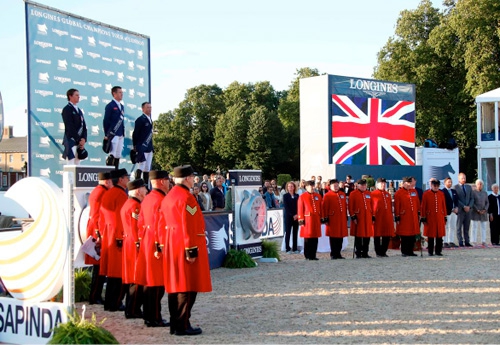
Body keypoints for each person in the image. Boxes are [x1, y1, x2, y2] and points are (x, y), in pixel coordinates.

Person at [158, 165, 212, 336]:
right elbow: (188, 223)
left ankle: (176, 324)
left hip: (172, 243)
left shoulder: (169, 197)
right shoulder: (186, 198)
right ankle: (182, 323)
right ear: (188, 178)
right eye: (191, 177)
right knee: (187, 287)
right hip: (185, 244)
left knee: (175, 286)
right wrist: (191, 249)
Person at [136, 170, 171, 327]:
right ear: (162, 181)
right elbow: (160, 225)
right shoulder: (160, 199)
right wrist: (160, 246)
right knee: (157, 285)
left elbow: (140, 223)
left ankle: (150, 316)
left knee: (150, 283)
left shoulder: (148, 199)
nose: (169, 183)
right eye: (167, 180)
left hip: (146, 242)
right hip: (156, 244)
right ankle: (154, 317)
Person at [99, 168, 130, 311]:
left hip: (109, 234)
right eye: (126, 177)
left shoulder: (109, 193)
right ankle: (114, 302)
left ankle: (110, 302)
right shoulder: (120, 194)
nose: (128, 179)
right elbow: (120, 218)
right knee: (118, 273)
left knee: (112, 273)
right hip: (117, 235)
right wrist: (120, 237)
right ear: (121, 179)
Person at [121, 178, 147, 318]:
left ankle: (132, 308)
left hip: (129, 243)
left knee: (133, 278)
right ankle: (133, 309)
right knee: (136, 279)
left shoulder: (129, 204)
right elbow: (135, 228)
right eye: (143, 188)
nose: (146, 190)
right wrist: (139, 244)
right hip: (135, 244)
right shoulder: (134, 206)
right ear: (138, 190)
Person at [85, 171, 112, 305]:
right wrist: (99, 234)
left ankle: (95, 295)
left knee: (99, 267)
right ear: (107, 181)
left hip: (95, 228)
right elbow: (97, 216)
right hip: (98, 230)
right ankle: (95, 295)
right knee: (99, 267)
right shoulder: (102, 193)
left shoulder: (97, 190)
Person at [394, 176, 420, 256]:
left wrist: (418, 212)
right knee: (405, 235)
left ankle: (410, 250)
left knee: (412, 234)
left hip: (412, 216)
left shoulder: (414, 191)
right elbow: (397, 205)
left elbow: (417, 202)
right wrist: (397, 216)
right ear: (403, 183)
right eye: (407, 183)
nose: (408, 184)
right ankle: (404, 251)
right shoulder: (399, 193)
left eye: (409, 183)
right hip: (404, 216)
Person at [297, 180, 323, 260]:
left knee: (315, 237)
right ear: (306, 187)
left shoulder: (318, 196)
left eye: (313, 186)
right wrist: (301, 219)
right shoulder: (302, 196)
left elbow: (320, 207)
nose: (312, 188)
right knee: (308, 238)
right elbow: (300, 208)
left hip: (316, 219)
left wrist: (321, 217)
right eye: (311, 186)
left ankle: (313, 254)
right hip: (307, 219)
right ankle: (307, 255)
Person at [323, 179, 348, 259]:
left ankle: (338, 253)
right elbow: (325, 207)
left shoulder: (342, 194)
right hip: (333, 219)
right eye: (334, 185)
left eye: (337, 185)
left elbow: (345, 206)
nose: (336, 187)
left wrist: (345, 215)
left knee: (340, 236)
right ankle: (333, 253)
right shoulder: (327, 195)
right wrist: (325, 218)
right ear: (330, 186)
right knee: (333, 237)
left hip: (341, 219)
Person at [348, 179, 374, 258]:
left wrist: (372, 215)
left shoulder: (368, 193)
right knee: (359, 235)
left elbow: (371, 205)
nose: (363, 186)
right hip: (359, 217)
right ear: (358, 185)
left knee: (367, 235)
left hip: (367, 217)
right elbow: (350, 206)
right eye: (362, 185)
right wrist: (353, 216)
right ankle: (358, 252)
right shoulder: (353, 194)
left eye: (364, 185)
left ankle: (365, 252)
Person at [421, 179, 446, 256]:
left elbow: (443, 205)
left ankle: (438, 251)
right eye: (434, 186)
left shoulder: (441, 194)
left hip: (439, 217)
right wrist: (423, 216)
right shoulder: (426, 194)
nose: (436, 187)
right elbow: (423, 206)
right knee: (431, 235)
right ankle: (430, 251)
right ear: (431, 185)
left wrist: (444, 216)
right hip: (430, 217)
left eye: (437, 186)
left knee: (439, 235)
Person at [61, 88, 87, 165]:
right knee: (71, 163)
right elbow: (69, 126)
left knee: (77, 163)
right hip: (71, 140)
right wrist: (79, 139)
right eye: (76, 95)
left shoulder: (79, 110)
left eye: (79, 95)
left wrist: (84, 139)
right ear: (70, 96)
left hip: (79, 142)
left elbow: (84, 126)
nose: (78, 97)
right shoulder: (67, 109)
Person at [371, 177, 394, 257]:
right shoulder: (373, 194)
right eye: (381, 183)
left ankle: (384, 251)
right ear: (377, 184)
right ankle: (378, 252)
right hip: (377, 217)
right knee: (377, 234)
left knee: (386, 234)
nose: (383, 185)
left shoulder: (387, 194)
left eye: (384, 183)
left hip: (386, 217)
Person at [132, 102, 154, 186]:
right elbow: (135, 133)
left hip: (149, 147)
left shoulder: (150, 119)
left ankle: (145, 185)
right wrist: (135, 145)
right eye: (147, 107)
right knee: (141, 166)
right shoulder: (140, 119)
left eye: (150, 107)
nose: (149, 109)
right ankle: (137, 184)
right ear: (143, 109)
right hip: (142, 146)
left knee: (147, 168)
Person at [103, 86, 125, 169]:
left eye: (122, 92)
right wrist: (107, 134)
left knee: (118, 155)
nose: (121, 94)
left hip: (120, 133)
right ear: (114, 94)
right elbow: (106, 120)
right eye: (119, 92)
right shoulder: (110, 105)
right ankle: (109, 174)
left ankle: (116, 175)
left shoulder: (122, 106)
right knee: (112, 154)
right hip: (113, 133)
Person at [453, 172, 474, 247]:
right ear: (459, 179)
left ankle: (467, 241)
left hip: (468, 210)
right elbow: (456, 199)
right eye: (462, 178)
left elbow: (472, 198)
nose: (464, 179)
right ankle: (460, 241)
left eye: (465, 178)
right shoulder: (455, 187)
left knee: (467, 226)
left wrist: (469, 206)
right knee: (459, 226)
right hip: (460, 209)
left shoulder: (469, 187)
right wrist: (464, 206)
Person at [470, 179, 489, 246]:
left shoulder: (485, 193)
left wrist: (485, 209)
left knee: (483, 227)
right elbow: (472, 202)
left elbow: (487, 203)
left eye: (481, 184)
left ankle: (483, 241)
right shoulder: (473, 192)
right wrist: (477, 209)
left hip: (483, 212)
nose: (480, 185)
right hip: (475, 212)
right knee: (474, 227)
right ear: (476, 185)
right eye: (478, 184)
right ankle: (473, 241)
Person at [282, 181, 299, 254]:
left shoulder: (297, 195)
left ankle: (295, 248)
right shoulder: (285, 196)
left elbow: (299, 206)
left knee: (295, 233)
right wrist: (292, 215)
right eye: (289, 186)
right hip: (288, 216)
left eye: (292, 186)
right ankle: (287, 248)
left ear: (294, 187)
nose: (290, 188)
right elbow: (286, 207)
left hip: (296, 216)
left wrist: (297, 214)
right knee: (288, 232)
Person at [442, 177, 459, 248]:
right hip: (447, 212)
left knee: (452, 226)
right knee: (446, 226)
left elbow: (457, 200)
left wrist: (456, 207)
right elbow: (444, 202)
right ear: (445, 183)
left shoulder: (454, 191)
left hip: (454, 212)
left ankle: (451, 241)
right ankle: (444, 241)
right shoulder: (443, 191)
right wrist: (451, 209)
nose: (450, 183)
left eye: (451, 182)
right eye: (448, 182)